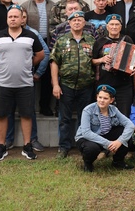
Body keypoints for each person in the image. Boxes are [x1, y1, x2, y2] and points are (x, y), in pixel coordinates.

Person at [0, 5, 45, 161]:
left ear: (21, 19)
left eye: (15, 16)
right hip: (3, 84)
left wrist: (28, 64)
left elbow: (40, 54)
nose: (12, 19)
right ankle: (1, 146)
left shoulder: (31, 36)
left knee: (26, 115)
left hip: (25, 84)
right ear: (7, 19)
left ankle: (27, 146)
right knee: (1, 115)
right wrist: (3, 64)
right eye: (10, 17)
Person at [50, 11, 96, 159]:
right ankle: (64, 147)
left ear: (84, 23)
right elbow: (54, 62)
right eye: (74, 20)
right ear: (68, 23)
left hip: (86, 85)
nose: (77, 22)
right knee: (65, 118)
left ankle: (82, 145)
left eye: (80, 20)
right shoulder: (62, 40)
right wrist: (55, 84)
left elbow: (96, 61)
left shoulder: (91, 40)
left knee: (85, 117)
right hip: (66, 85)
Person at [4, 7, 50, 152]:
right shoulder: (3, 34)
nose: (19, 19)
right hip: (7, 80)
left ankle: (32, 140)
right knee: (8, 110)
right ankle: (8, 140)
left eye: (22, 16)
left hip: (26, 80)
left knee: (28, 111)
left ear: (24, 18)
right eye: (14, 16)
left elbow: (45, 53)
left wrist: (37, 72)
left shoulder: (33, 34)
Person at [75, 84, 135, 172]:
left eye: (105, 98)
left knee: (126, 134)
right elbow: (86, 133)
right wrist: (108, 143)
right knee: (91, 148)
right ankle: (88, 164)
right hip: (87, 138)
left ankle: (118, 161)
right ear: (96, 97)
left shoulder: (113, 109)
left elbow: (130, 125)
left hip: (105, 135)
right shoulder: (88, 110)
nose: (102, 101)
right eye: (100, 97)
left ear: (111, 100)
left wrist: (119, 141)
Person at [24, 0, 56, 117]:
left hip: (48, 42)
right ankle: (27, 107)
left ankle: (45, 106)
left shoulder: (53, 6)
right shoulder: (25, 5)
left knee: (47, 76)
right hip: (31, 44)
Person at [92, 14, 135, 116]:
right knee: (104, 114)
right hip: (105, 83)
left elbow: (133, 57)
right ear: (107, 26)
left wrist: (133, 66)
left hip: (124, 84)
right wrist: (102, 59)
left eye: (117, 24)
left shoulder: (127, 39)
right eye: (112, 24)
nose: (114, 27)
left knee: (124, 114)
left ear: (121, 27)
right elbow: (92, 61)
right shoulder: (100, 42)